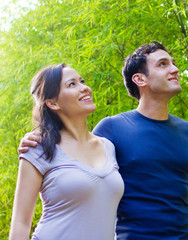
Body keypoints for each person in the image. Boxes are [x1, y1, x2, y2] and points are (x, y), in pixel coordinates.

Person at [18, 42, 188, 239]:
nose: (175, 69)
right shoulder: (112, 129)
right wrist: (41, 135)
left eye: (173, 63)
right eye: (163, 64)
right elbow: (76, 159)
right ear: (139, 79)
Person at [10, 64, 124, 240]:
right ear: (53, 103)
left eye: (82, 81)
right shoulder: (38, 147)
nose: (85, 88)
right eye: (72, 84)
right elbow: (21, 222)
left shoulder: (108, 146)